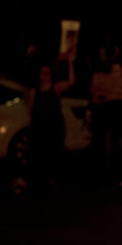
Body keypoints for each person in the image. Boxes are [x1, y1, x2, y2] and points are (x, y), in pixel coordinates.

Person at [27, 57, 75, 191]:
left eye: (48, 73)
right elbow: (31, 110)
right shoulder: (34, 91)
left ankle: (57, 181)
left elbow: (71, 82)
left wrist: (70, 62)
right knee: (41, 155)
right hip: (40, 128)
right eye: (43, 73)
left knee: (56, 154)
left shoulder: (55, 88)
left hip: (54, 127)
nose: (46, 76)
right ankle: (41, 182)